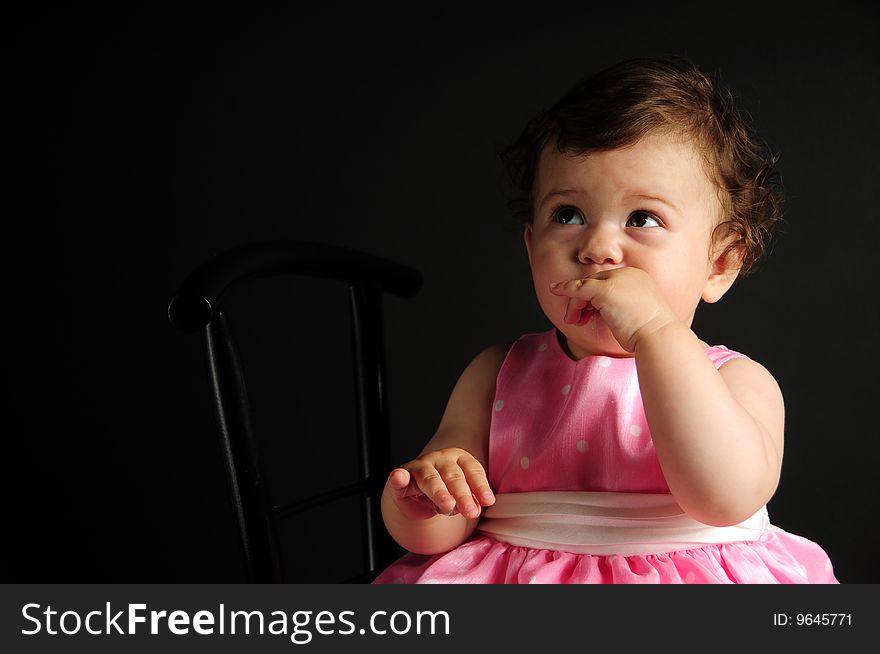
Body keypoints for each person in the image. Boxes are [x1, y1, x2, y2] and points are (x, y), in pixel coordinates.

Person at [373, 56, 838, 584]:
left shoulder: (735, 382)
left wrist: (656, 333)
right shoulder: (497, 372)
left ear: (720, 264)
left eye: (643, 219)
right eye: (567, 215)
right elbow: (438, 528)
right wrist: (424, 498)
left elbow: (723, 499)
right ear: (532, 247)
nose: (597, 248)